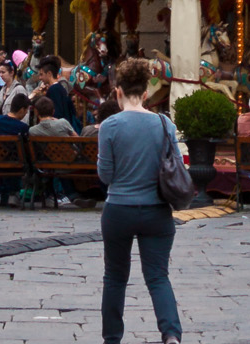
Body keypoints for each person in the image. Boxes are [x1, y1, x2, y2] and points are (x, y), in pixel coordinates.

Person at [96, 56, 182, 344]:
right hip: (157, 211)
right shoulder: (163, 123)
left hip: (119, 209)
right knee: (158, 276)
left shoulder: (110, 126)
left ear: (117, 91)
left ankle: (112, 338)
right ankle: (170, 334)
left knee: (115, 277)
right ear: (146, 93)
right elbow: (176, 164)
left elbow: (105, 175)